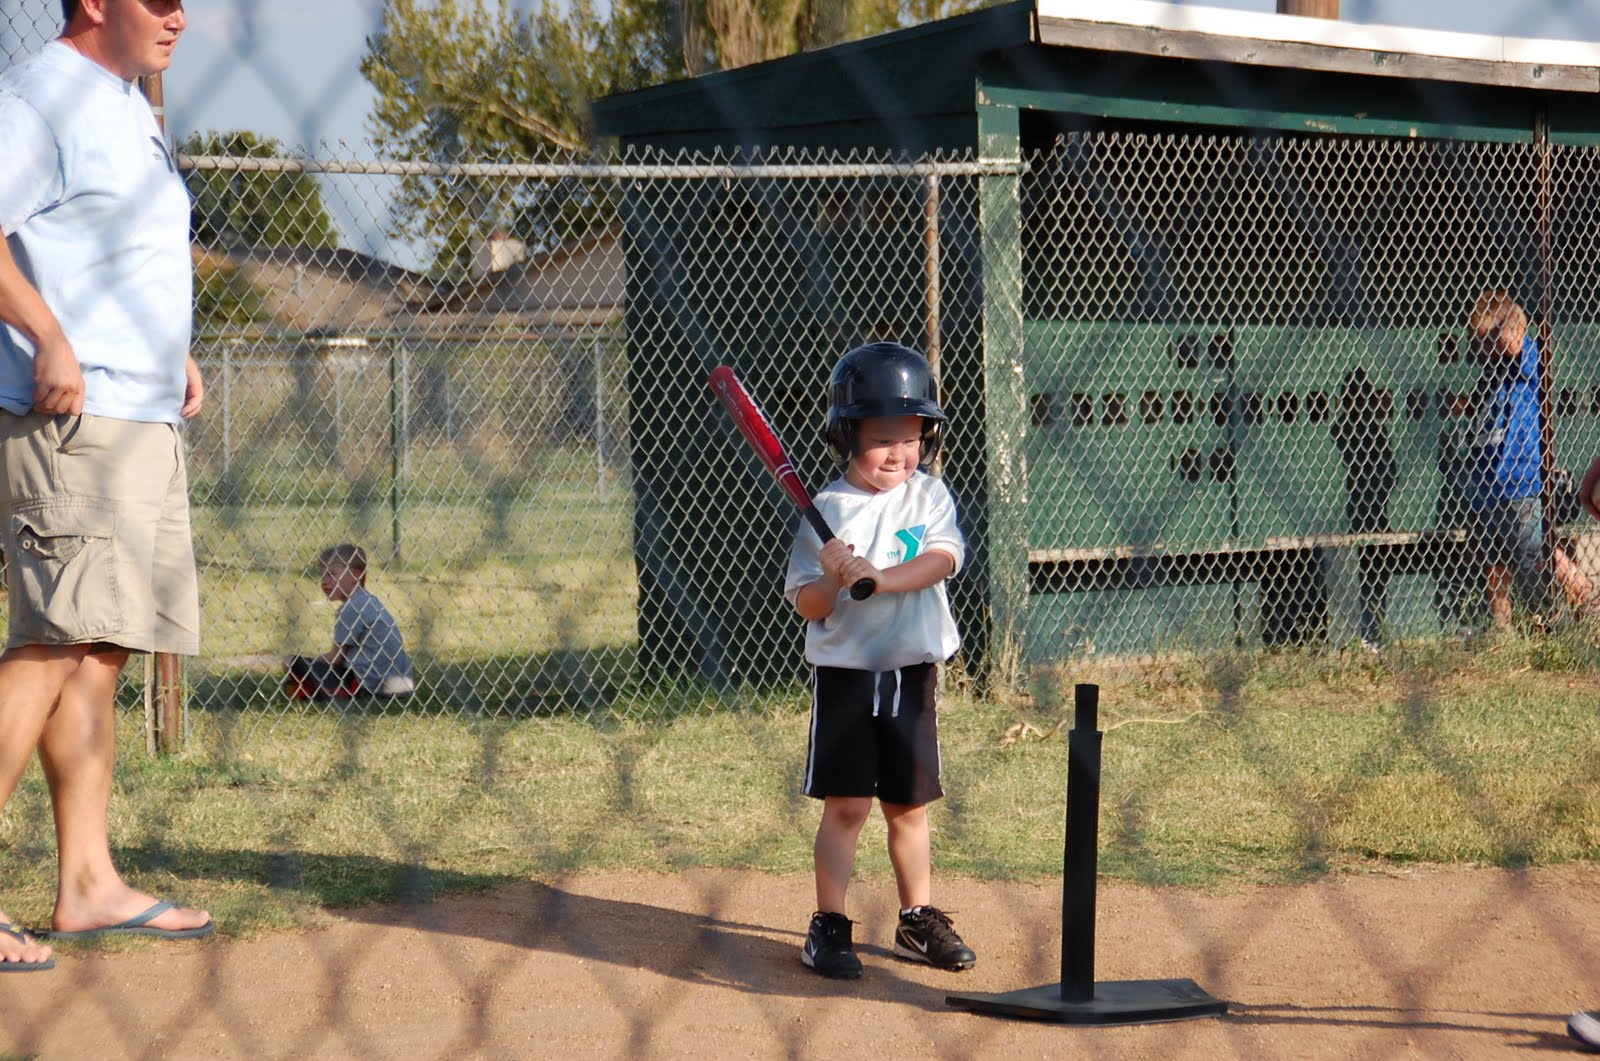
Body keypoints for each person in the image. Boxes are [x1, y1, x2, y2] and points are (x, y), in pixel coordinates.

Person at [0, 0, 211, 970]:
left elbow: (113, 251)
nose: (179, 16)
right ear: (93, 2)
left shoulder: (126, 103)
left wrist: (173, 349)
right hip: (74, 417)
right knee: (53, 640)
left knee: (101, 644)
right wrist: (48, 334)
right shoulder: (43, 99)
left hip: (139, 407)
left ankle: (86, 882)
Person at [784, 341, 974, 980]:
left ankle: (916, 919)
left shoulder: (929, 497)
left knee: (907, 806)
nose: (899, 453)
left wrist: (880, 577)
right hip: (844, 678)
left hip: (910, 674)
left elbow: (942, 559)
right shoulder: (827, 512)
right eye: (882, 439)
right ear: (847, 436)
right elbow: (808, 604)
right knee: (847, 806)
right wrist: (833, 577)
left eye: (912, 438)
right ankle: (829, 925)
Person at [1462, 291, 1592, 631]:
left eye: (1490, 340)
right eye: (1480, 343)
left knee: (1532, 553)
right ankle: (1503, 631)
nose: (1484, 350)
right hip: (1489, 488)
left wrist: (1513, 333)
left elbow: (1520, 343)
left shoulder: (1529, 361)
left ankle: (1563, 609)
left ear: (1508, 333)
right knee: (1496, 563)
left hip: (1522, 482)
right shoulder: (1491, 373)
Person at [285, 544, 414, 700]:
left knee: (291, 661)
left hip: (368, 684)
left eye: (331, 574)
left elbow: (335, 659)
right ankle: (314, 689)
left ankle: (328, 692)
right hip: (400, 684)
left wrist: (302, 661)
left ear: (355, 575)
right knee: (303, 674)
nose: (324, 581)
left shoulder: (350, 608)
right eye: (322, 575)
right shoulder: (369, 601)